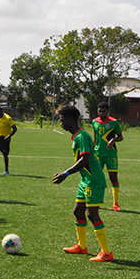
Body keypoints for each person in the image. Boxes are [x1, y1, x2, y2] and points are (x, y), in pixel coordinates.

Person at [52, 105, 114, 262]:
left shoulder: (82, 136)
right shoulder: (76, 136)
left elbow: (85, 159)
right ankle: (82, 246)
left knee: (92, 215)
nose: (61, 123)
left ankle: (106, 252)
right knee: (78, 212)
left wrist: (65, 173)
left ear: (71, 120)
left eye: (62, 120)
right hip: (85, 180)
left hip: (93, 180)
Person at [92, 101, 124, 211]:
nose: (101, 113)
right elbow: (95, 138)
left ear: (108, 111)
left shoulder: (114, 122)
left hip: (111, 155)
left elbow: (121, 137)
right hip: (98, 154)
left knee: (113, 178)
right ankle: (96, 201)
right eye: (99, 111)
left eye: (103, 111)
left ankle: (116, 203)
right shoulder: (94, 122)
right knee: (96, 178)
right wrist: (92, 149)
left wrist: (113, 140)